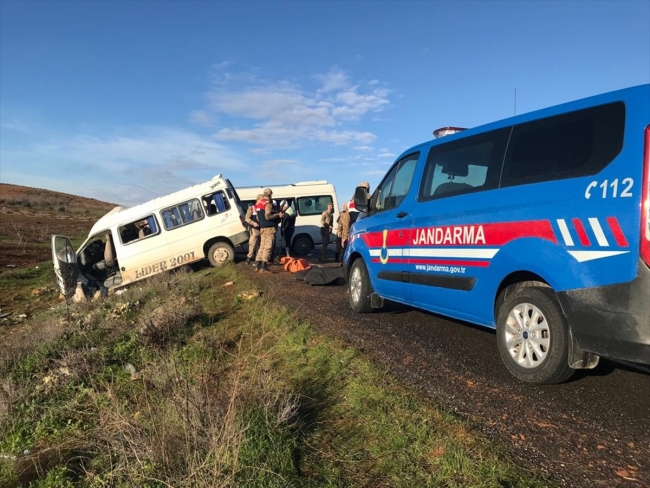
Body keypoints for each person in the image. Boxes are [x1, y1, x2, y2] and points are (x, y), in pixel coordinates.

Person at [253, 188, 283, 273]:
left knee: (262, 246)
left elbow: (258, 218)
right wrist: (278, 215)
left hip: (262, 228)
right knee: (268, 247)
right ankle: (264, 267)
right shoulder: (267, 204)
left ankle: (258, 265)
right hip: (269, 228)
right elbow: (268, 216)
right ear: (270, 195)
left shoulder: (258, 204)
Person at [244, 194, 263, 265]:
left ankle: (258, 260)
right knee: (252, 244)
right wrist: (253, 223)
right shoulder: (252, 208)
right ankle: (249, 258)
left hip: (262, 229)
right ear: (257, 200)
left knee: (261, 245)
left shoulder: (263, 208)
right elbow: (247, 218)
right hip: (254, 230)